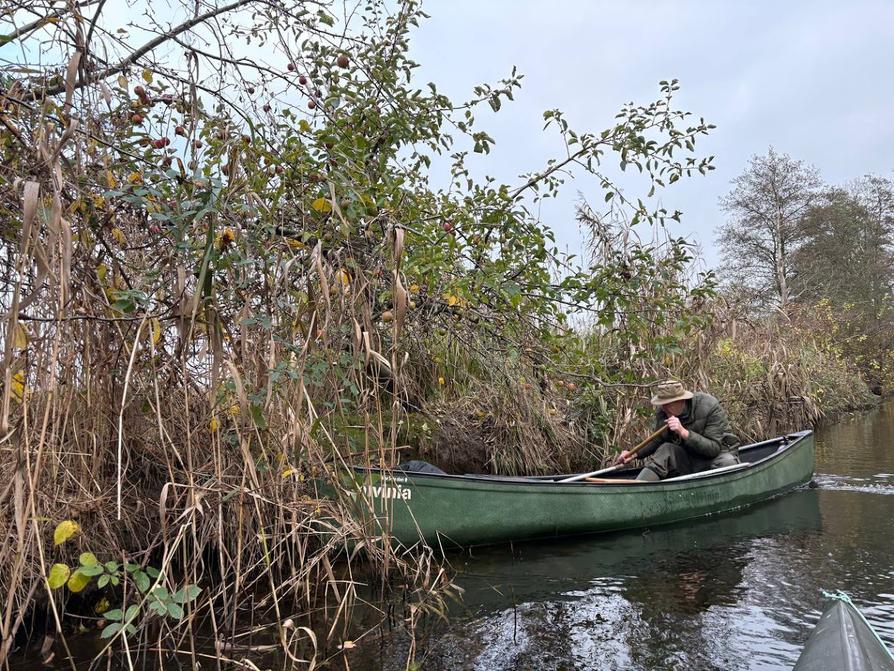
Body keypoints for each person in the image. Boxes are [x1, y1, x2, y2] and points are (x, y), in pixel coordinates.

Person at [615, 380, 740, 481]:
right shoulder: (664, 412)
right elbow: (658, 439)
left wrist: (683, 432)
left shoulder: (709, 406)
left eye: (668, 404)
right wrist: (634, 454)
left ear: (681, 400)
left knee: (727, 464)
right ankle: (638, 489)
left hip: (717, 456)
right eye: (662, 404)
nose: (664, 408)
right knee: (666, 449)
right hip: (688, 459)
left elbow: (713, 448)